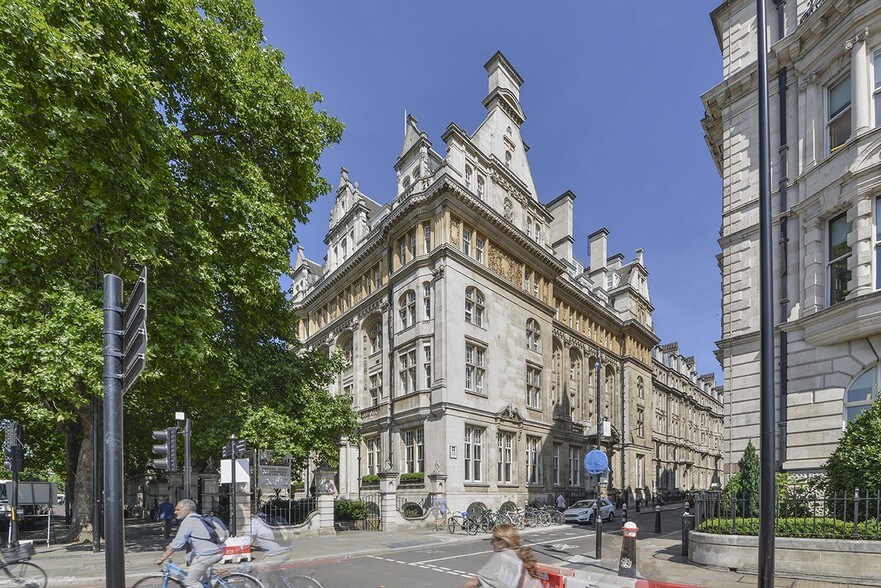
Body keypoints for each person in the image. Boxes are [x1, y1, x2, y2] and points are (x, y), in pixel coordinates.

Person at [153, 499, 225, 587]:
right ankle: (205, 582)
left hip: (208, 554)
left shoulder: (188, 522)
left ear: (187, 511)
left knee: (190, 582)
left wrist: (162, 558)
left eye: (178, 510)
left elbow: (177, 544)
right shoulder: (199, 517)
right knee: (187, 558)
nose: (175, 512)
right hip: (214, 550)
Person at [461, 524, 542, 588]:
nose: (491, 543)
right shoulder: (521, 555)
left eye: (493, 540)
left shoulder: (502, 557)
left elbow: (473, 583)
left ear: (501, 543)